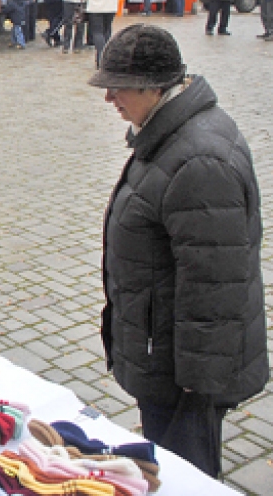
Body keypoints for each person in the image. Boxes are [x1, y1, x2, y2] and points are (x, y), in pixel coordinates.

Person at [88, 24, 268, 478]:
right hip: (163, 356)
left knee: (186, 475)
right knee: (168, 465)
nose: (109, 97)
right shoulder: (167, 132)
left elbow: (214, 288)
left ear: (154, 86)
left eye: (118, 86)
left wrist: (193, 391)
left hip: (181, 376)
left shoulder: (198, 159)